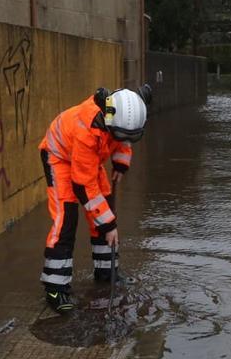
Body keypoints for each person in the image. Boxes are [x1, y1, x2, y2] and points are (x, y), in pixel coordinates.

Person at [38, 85, 151, 313]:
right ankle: (55, 287)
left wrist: (120, 163)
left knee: (105, 211)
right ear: (107, 119)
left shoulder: (119, 115)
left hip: (90, 160)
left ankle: (106, 273)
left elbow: (123, 139)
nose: (124, 139)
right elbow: (83, 185)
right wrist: (109, 225)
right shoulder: (87, 130)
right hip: (59, 157)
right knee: (67, 220)